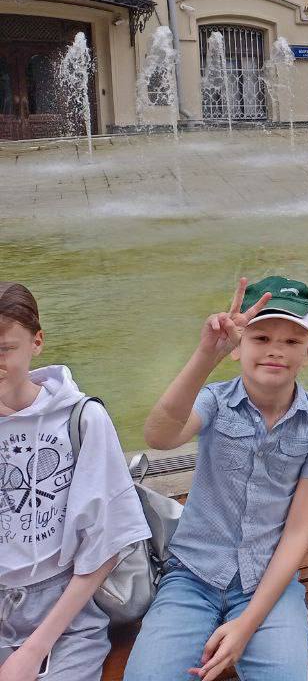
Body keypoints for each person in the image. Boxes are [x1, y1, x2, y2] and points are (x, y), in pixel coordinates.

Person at [123, 277, 308, 681]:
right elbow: (159, 435)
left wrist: (246, 626)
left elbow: (298, 533)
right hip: (191, 575)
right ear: (239, 345)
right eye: (261, 338)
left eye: (293, 342)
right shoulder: (213, 401)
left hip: (268, 585)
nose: (276, 349)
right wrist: (207, 354)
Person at [0, 283, 151, 681]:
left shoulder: (82, 419)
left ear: (37, 342)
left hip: (67, 613)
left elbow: (105, 546)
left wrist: (33, 652)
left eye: (3, 350)